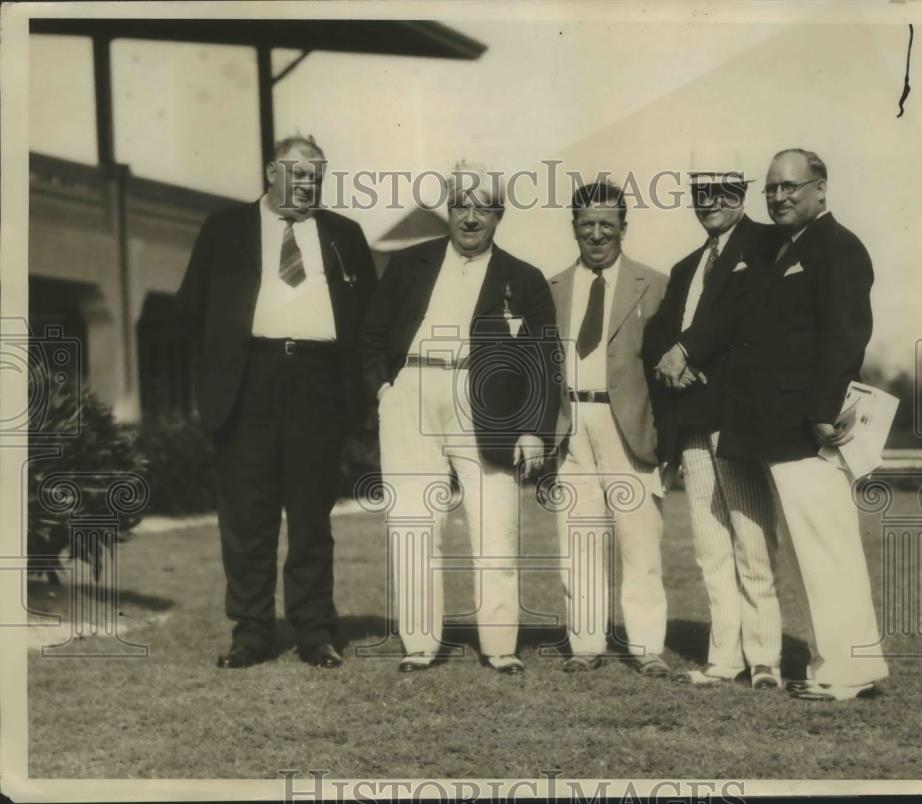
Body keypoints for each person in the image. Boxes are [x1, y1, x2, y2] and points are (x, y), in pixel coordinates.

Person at [656, 148, 889, 700]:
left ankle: (845, 670)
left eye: (791, 186)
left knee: (827, 549)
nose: (780, 197)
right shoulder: (792, 248)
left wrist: (822, 414)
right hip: (780, 426)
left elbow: (845, 336)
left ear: (821, 188)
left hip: (810, 427)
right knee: (816, 550)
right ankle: (841, 665)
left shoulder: (837, 247)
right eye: (773, 189)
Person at [176, 135, 376, 669]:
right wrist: (217, 375)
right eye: (295, 172)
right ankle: (251, 633)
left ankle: (315, 631)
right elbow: (191, 311)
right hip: (249, 381)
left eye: (315, 176)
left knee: (311, 516)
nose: (305, 184)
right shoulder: (225, 230)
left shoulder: (343, 235)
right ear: (270, 171)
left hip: (318, 383)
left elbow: (367, 317)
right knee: (248, 518)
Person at [360, 161, 560, 674]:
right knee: (413, 522)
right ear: (449, 210)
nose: (470, 217)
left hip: (486, 403)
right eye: (460, 205)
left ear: (499, 214)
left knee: (495, 526)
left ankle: (500, 646)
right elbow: (372, 335)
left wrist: (535, 430)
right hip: (412, 392)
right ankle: (420, 643)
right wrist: (385, 389)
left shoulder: (524, 278)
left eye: (483, 207)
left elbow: (543, 361)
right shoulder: (409, 264)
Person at [642, 159, 783, 689]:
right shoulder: (686, 267)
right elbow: (657, 334)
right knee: (710, 543)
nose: (710, 202)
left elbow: (746, 318)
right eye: (701, 192)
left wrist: (687, 352)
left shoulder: (767, 247)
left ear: (741, 193)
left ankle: (765, 657)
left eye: (721, 191)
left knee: (751, 537)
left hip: (740, 417)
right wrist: (668, 360)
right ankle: (725, 658)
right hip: (693, 420)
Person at [547, 180, 670, 676]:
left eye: (607, 225)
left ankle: (647, 648)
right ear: (573, 228)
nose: (597, 235)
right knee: (578, 538)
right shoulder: (553, 288)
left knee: (640, 541)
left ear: (624, 226)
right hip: (571, 423)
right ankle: (586, 645)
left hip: (630, 425)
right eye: (586, 226)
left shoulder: (654, 284)